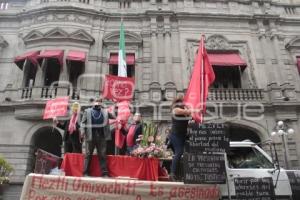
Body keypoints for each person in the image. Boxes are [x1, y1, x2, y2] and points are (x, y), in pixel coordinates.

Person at [80, 98, 115, 177]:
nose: (98, 103)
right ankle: (85, 172)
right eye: (96, 101)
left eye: (99, 102)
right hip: (90, 135)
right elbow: (83, 123)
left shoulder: (105, 111)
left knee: (102, 154)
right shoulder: (87, 111)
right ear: (93, 103)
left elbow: (113, 117)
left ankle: (104, 173)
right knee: (88, 154)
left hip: (102, 136)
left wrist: (110, 108)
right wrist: (82, 132)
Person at [169, 95, 191, 181]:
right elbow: (188, 112)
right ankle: (172, 174)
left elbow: (191, 115)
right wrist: (189, 108)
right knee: (179, 152)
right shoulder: (175, 109)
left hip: (182, 135)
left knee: (180, 154)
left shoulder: (184, 112)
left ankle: (177, 173)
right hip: (175, 135)